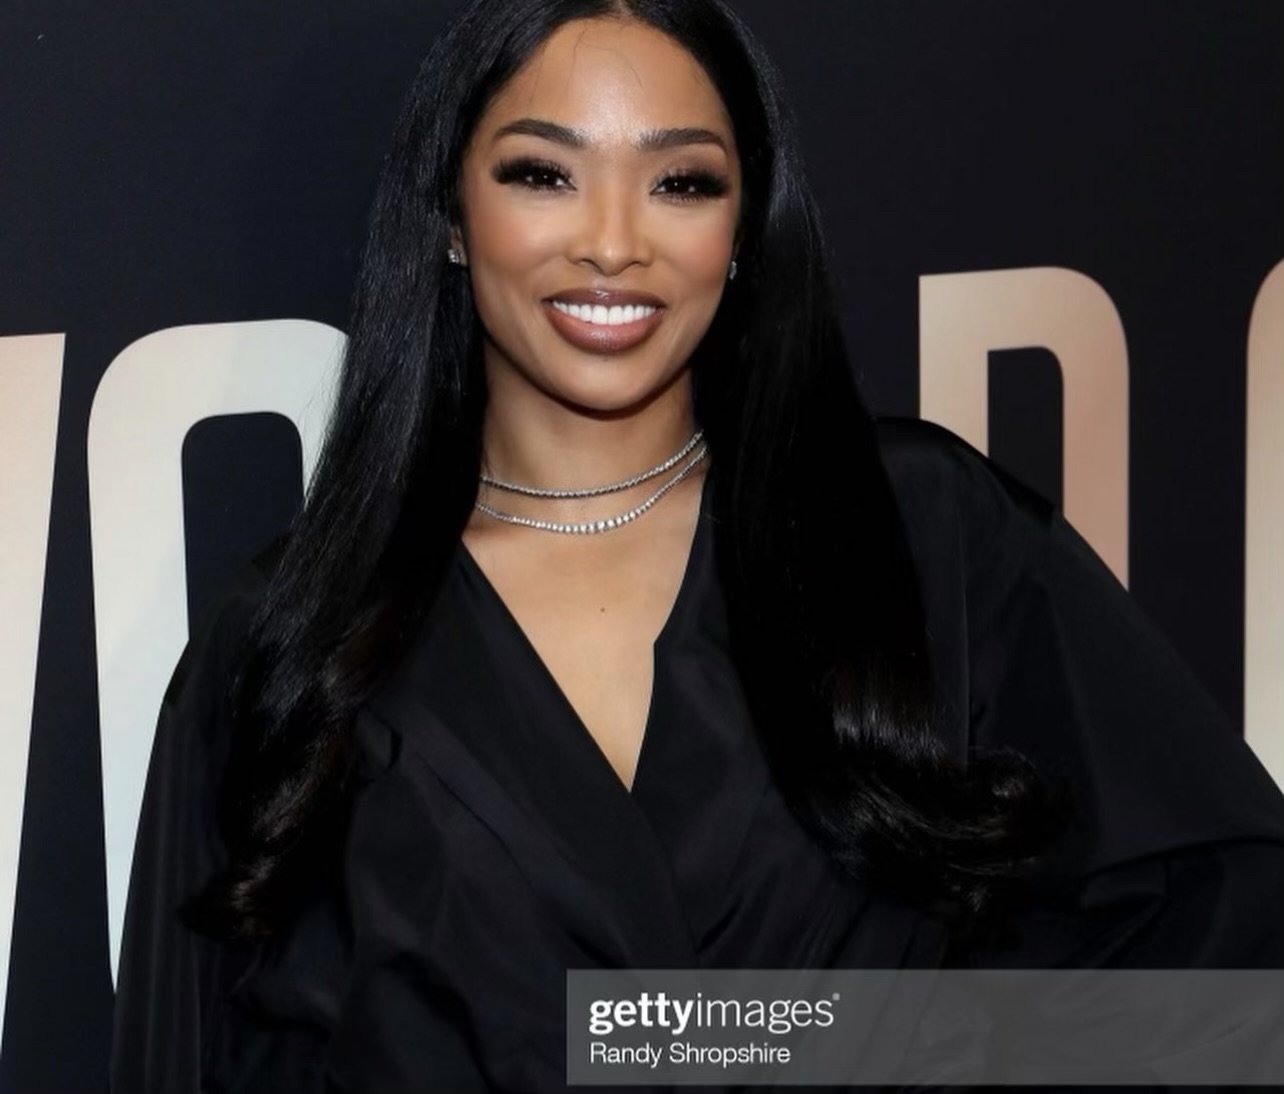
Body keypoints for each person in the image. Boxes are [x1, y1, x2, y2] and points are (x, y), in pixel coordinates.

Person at [109, 0, 1284, 1090]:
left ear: (744, 227)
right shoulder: (291, 643)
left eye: (679, 180)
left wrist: (767, 1032)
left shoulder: (923, 536)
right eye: (543, 173)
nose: (614, 243)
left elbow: (1228, 960)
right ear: (452, 221)